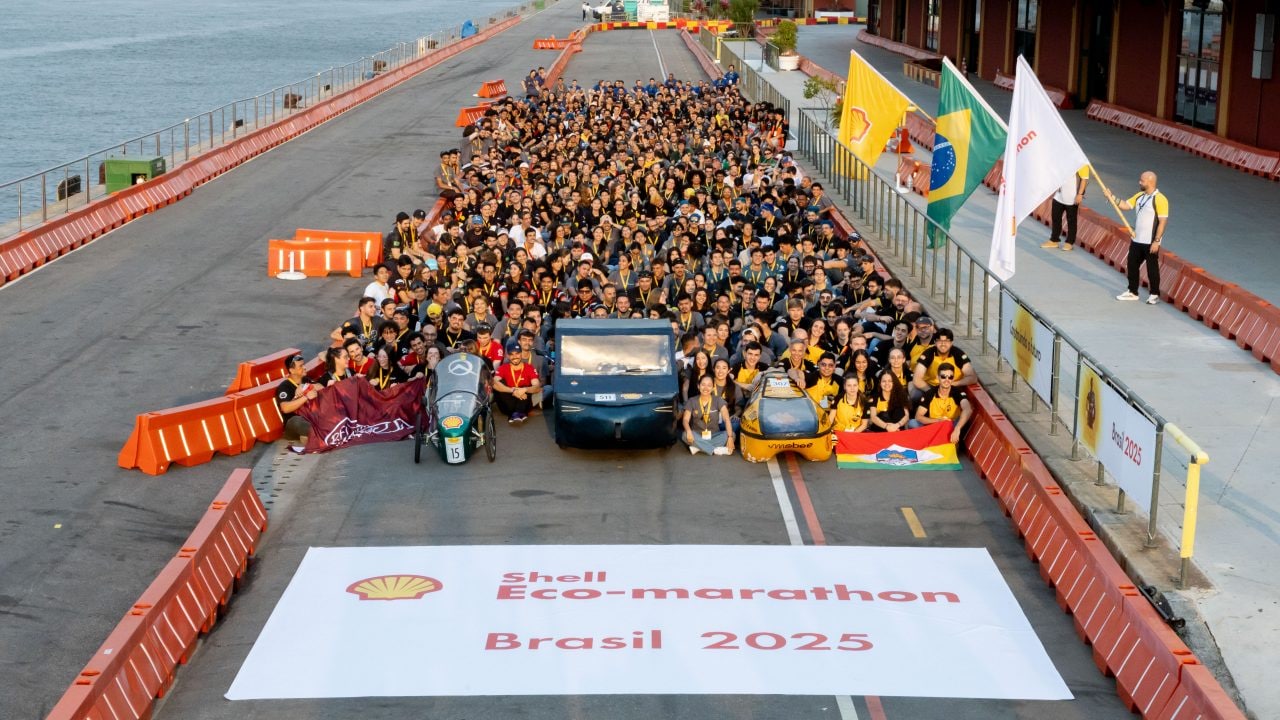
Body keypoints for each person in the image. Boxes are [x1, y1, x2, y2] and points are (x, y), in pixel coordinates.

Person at [1105, 171, 1168, 304]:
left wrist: (1156, 241)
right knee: (1132, 265)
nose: (1139, 182)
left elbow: (1162, 222)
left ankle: (1154, 294)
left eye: (1142, 181)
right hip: (1137, 238)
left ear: (1150, 182)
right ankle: (1132, 291)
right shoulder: (1140, 195)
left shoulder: (1160, 199)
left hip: (1150, 241)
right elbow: (1126, 205)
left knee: (1152, 268)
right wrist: (1112, 197)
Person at [914, 363, 973, 444]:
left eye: (950, 377)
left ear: (953, 379)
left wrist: (957, 429)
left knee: (964, 419)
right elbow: (918, 416)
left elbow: (968, 409)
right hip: (935, 426)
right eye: (943, 377)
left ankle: (951, 442)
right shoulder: (930, 393)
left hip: (952, 427)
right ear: (938, 378)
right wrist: (938, 420)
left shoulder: (957, 392)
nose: (947, 380)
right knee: (912, 423)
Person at [274, 354, 319, 453]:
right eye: (301, 366)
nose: (304, 367)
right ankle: (314, 436)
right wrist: (305, 396)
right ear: (291, 370)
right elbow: (285, 408)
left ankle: (309, 437)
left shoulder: (306, 380)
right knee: (297, 420)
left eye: (304, 365)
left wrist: (306, 386)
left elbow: (321, 387)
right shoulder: (284, 387)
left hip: (309, 416)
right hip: (293, 422)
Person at [682, 374, 735, 456]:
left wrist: (730, 437)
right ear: (698, 386)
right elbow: (685, 420)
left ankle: (698, 448)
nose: (706, 388)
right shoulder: (692, 401)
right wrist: (689, 431)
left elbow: (726, 419)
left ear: (713, 387)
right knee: (685, 435)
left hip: (714, 435)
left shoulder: (718, 400)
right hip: (697, 435)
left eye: (709, 385)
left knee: (731, 434)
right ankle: (714, 450)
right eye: (703, 385)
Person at [1042, 166, 1089, 251]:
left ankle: (1069, 242)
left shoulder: (1081, 162)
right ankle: (1054, 240)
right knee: (1055, 218)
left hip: (1072, 198)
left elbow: (1084, 179)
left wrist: (1080, 194)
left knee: (1071, 221)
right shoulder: (1065, 159)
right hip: (1059, 195)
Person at [492, 346, 541, 423]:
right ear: (507, 356)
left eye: (517, 353)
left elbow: (537, 387)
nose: (514, 357)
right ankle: (518, 413)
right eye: (511, 354)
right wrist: (513, 390)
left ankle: (517, 413)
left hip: (524, 403)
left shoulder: (529, 368)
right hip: (507, 403)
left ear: (521, 354)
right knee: (499, 383)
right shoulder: (503, 368)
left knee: (526, 387)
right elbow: (494, 383)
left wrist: (524, 389)